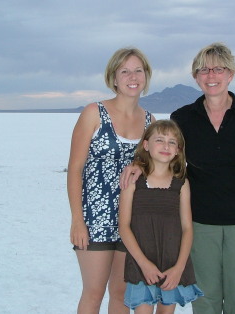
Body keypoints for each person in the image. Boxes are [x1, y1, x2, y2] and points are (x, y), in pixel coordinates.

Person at [121, 42, 235, 314]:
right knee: (205, 300)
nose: (211, 75)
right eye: (203, 70)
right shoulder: (183, 118)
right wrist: (137, 163)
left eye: (218, 69)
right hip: (200, 222)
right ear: (196, 77)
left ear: (231, 74)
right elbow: (162, 148)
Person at [67, 47, 155, 314]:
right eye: (125, 70)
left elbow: (156, 166)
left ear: (146, 77)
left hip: (131, 219)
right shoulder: (94, 113)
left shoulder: (150, 121)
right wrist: (77, 220)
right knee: (93, 293)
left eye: (138, 70)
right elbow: (75, 169)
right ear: (114, 78)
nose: (132, 76)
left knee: (121, 293)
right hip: (95, 218)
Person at [119, 120, 203, 314]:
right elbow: (124, 226)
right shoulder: (133, 181)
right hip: (141, 264)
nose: (166, 146)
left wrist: (179, 268)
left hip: (172, 263)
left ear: (178, 150)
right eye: (160, 140)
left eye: (172, 142)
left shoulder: (181, 184)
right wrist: (143, 264)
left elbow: (187, 228)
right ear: (146, 145)